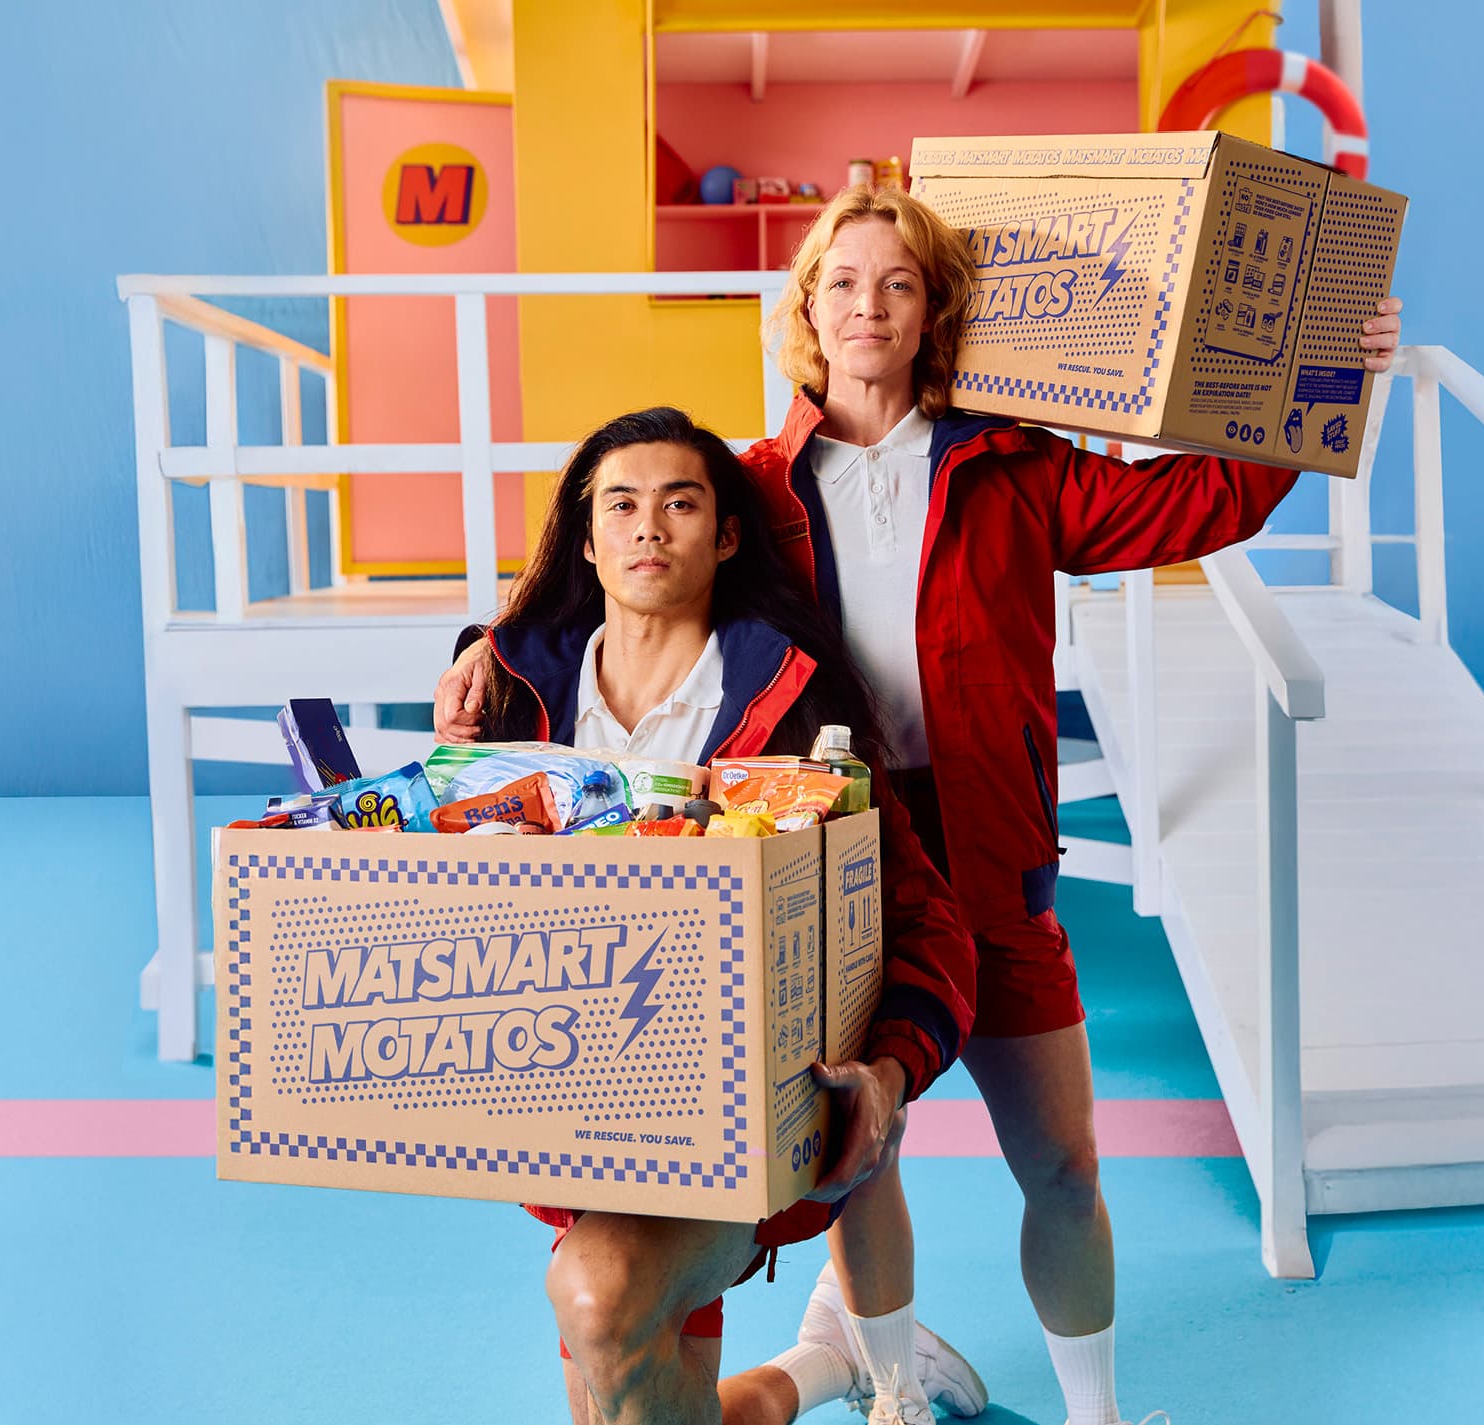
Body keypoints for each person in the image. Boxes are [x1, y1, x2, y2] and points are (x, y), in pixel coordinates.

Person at [446, 188, 1404, 1425]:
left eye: (898, 284)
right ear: (807, 308)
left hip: (992, 845)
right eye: (844, 283)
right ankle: (892, 1389)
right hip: (823, 847)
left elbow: (1194, 504)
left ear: (933, 309)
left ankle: (1096, 1415)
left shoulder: (1012, 465)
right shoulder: (751, 487)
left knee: (1061, 1161)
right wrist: (482, 644)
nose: (869, 306)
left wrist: (1330, 380)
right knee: (854, 1146)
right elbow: (610, 583)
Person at [462, 406, 989, 1425]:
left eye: (681, 502)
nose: (648, 525)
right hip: (566, 1123)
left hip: (740, 1123)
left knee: (600, 1298)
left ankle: (834, 1361)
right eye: (620, 504)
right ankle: (822, 1368)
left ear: (728, 533)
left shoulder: (793, 703)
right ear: (586, 538)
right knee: (643, 1384)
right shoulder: (513, 699)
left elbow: (921, 917)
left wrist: (889, 1072)